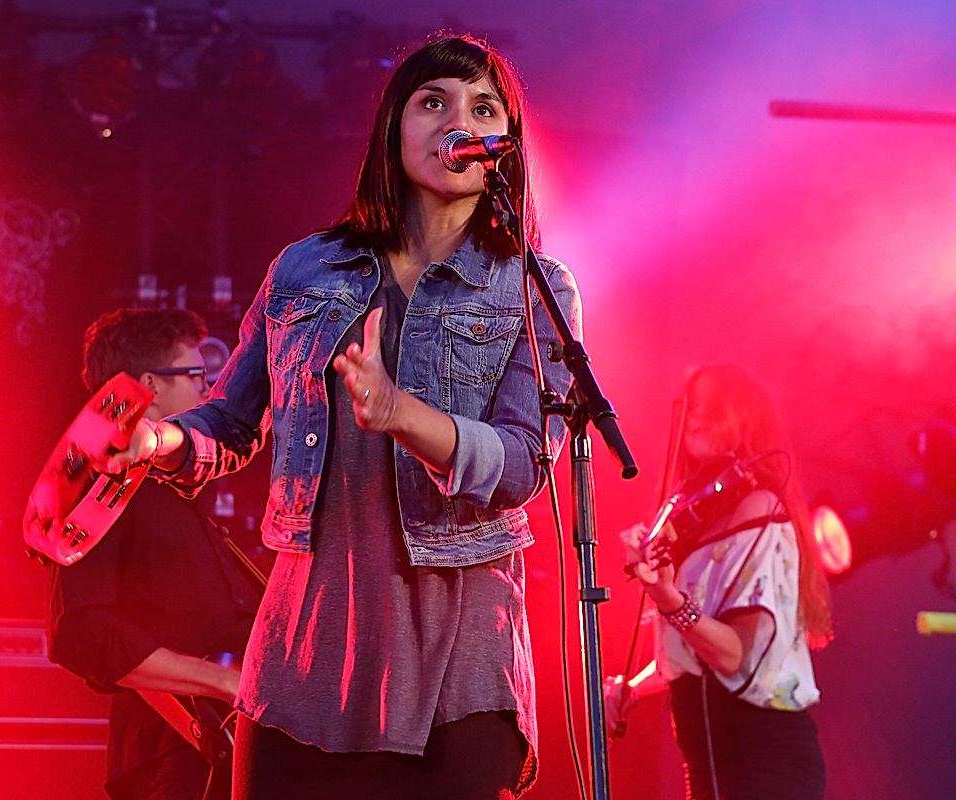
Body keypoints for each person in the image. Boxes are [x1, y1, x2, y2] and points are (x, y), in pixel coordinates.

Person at [99, 34, 582, 800]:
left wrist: (398, 414)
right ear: (394, 128)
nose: (456, 121)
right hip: (306, 648)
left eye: (481, 108)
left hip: (457, 656)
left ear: (501, 149)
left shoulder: (533, 286)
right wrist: (157, 437)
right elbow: (229, 421)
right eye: (434, 102)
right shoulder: (303, 270)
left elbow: (522, 464)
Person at [46, 307, 263, 800]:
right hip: (171, 759)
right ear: (150, 384)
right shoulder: (98, 487)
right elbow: (79, 631)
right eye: (195, 376)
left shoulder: (172, 486)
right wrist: (222, 682)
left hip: (219, 752)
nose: (207, 392)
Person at [605, 364, 832, 800]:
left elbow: (734, 656)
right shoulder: (696, 516)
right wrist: (635, 686)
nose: (696, 418)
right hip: (710, 765)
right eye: (694, 408)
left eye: (715, 408)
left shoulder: (760, 508)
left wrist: (669, 599)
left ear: (747, 420)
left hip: (765, 764)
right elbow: (700, 650)